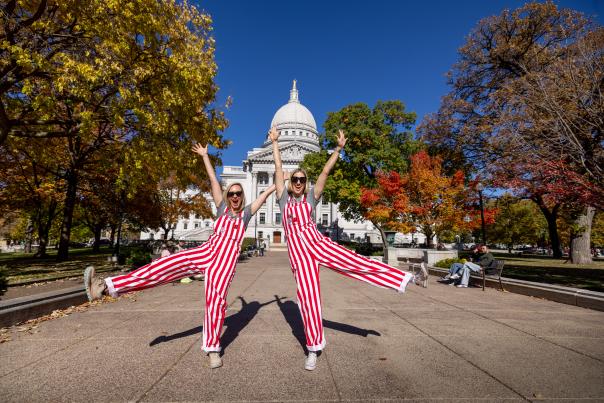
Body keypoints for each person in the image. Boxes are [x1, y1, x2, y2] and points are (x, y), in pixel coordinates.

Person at [83, 143, 275, 369]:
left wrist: (277, 183)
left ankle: (213, 349)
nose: (234, 196)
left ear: (242, 197)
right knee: (161, 267)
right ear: (227, 195)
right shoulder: (222, 208)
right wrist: (205, 156)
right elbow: (214, 180)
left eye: (238, 193)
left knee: (216, 304)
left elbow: (265, 193)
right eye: (231, 193)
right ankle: (105, 287)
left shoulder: (246, 214)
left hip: (224, 265)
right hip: (206, 253)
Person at [269, 126, 418, 371]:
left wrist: (338, 149)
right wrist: (275, 143)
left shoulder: (310, 198)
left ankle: (402, 278)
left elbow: (326, 172)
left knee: (356, 261)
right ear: (289, 183)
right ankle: (313, 348)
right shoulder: (283, 199)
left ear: (306, 184)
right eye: (294, 179)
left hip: (317, 244)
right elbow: (277, 169)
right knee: (309, 301)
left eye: (301, 180)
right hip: (299, 257)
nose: (297, 182)